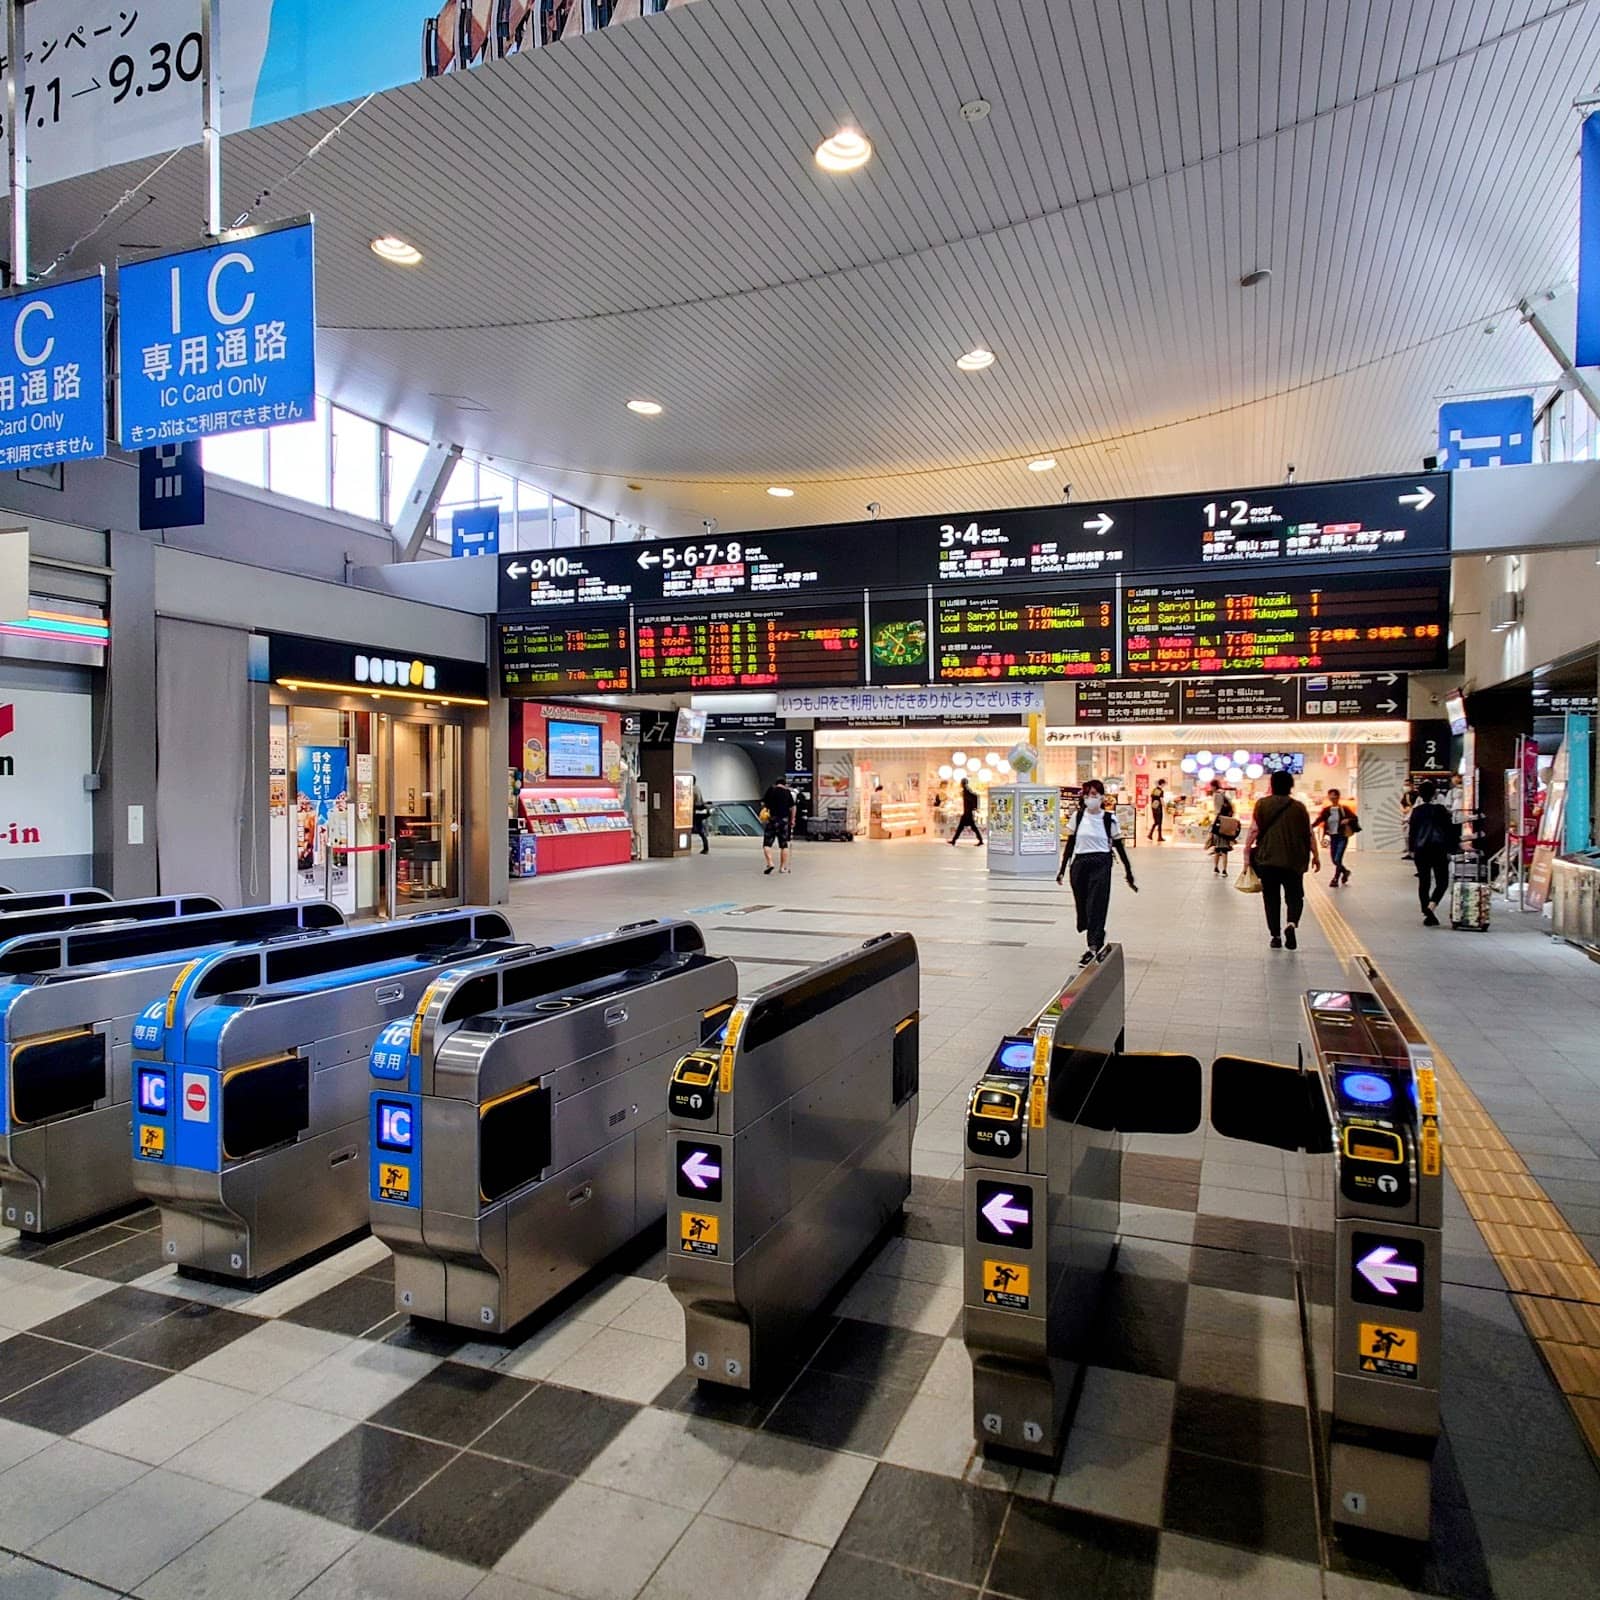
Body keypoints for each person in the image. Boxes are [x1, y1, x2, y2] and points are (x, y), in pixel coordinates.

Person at [1057, 779, 1137, 964]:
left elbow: (1119, 846)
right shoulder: (1077, 817)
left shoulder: (1109, 819)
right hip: (1080, 864)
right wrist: (1062, 869)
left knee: (1097, 905)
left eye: (1093, 794)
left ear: (1101, 796)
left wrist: (1128, 871)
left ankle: (1093, 946)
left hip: (1101, 862)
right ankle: (1093, 934)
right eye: (1087, 795)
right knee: (1084, 906)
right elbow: (1070, 845)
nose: (1090, 798)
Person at [1244, 770, 1320, 950]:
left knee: (1271, 898)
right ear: (1291, 786)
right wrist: (1316, 855)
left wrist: (1247, 854)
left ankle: (1276, 936)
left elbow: (1254, 830)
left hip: (1268, 860)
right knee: (1295, 895)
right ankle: (1291, 923)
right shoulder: (1299, 807)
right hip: (1294, 860)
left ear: (1272, 784)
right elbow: (1309, 833)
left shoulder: (1262, 804)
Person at [1407, 779, 1459, 927]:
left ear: (1420, 795)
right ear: (1435, 793)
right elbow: (1450, 831)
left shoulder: (1416, 811)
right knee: (1442, 881)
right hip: (1439, 850)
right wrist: (1452, 849)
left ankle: (1425, 910)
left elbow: (1412, 832)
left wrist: (1412, 850)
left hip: (1421, 850)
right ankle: (1431, 906)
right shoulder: (1441, 810)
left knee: (1424, 881)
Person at [1315, 788, 1357, 887]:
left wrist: (1348, 820)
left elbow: (1355, 818)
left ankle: (1335, 878)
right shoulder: (1327, 810)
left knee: (1338, 858)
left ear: (1338, 797)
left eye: (1334, 795)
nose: (1332, 797)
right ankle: (1345, 871)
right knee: (1334, 859)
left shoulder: (1344, 809)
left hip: (1342, 836)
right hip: (1332, 837)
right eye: (1330, 795)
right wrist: (1309, 827)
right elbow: (1320, 819)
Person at [760, 778, 795, 875]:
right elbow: (792, 807)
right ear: (784, 784)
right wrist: (792, 820)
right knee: (784, 845)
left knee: (767, 844)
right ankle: (782, 867)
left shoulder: (771, 790)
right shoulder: (787, 792)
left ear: (776, 784)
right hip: (783, 820)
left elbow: (763, 803)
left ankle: (770, 863)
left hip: (772, 819)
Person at [1208, 782, 1239, 876]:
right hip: (1226, 824)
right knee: (1225, 849)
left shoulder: (1217, 795)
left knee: (1217, 848)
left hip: (1219, 823)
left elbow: (1217, 809)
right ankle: (1225, 870)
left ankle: (1216, 867)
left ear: (1213, 786)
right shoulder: (1225, 794)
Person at [950, 777, 983, 846]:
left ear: (962, 783)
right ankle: (954, 840)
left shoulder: (966, 790)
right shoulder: (966, 789)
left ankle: (980, 840)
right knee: (962, 827)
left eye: (961, 783)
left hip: (968, 813)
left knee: (970, 827)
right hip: (967, 812)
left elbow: (974, 796)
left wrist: (974, 807)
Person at [691, 781, 711, 855]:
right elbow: (701, 800)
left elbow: (692, 800)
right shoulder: (697, 788)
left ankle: (686, 847)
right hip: (700, 811)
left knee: (690, 829)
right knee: (701, 831)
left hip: (694, 811)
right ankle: (706, 848)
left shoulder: (691, 789)